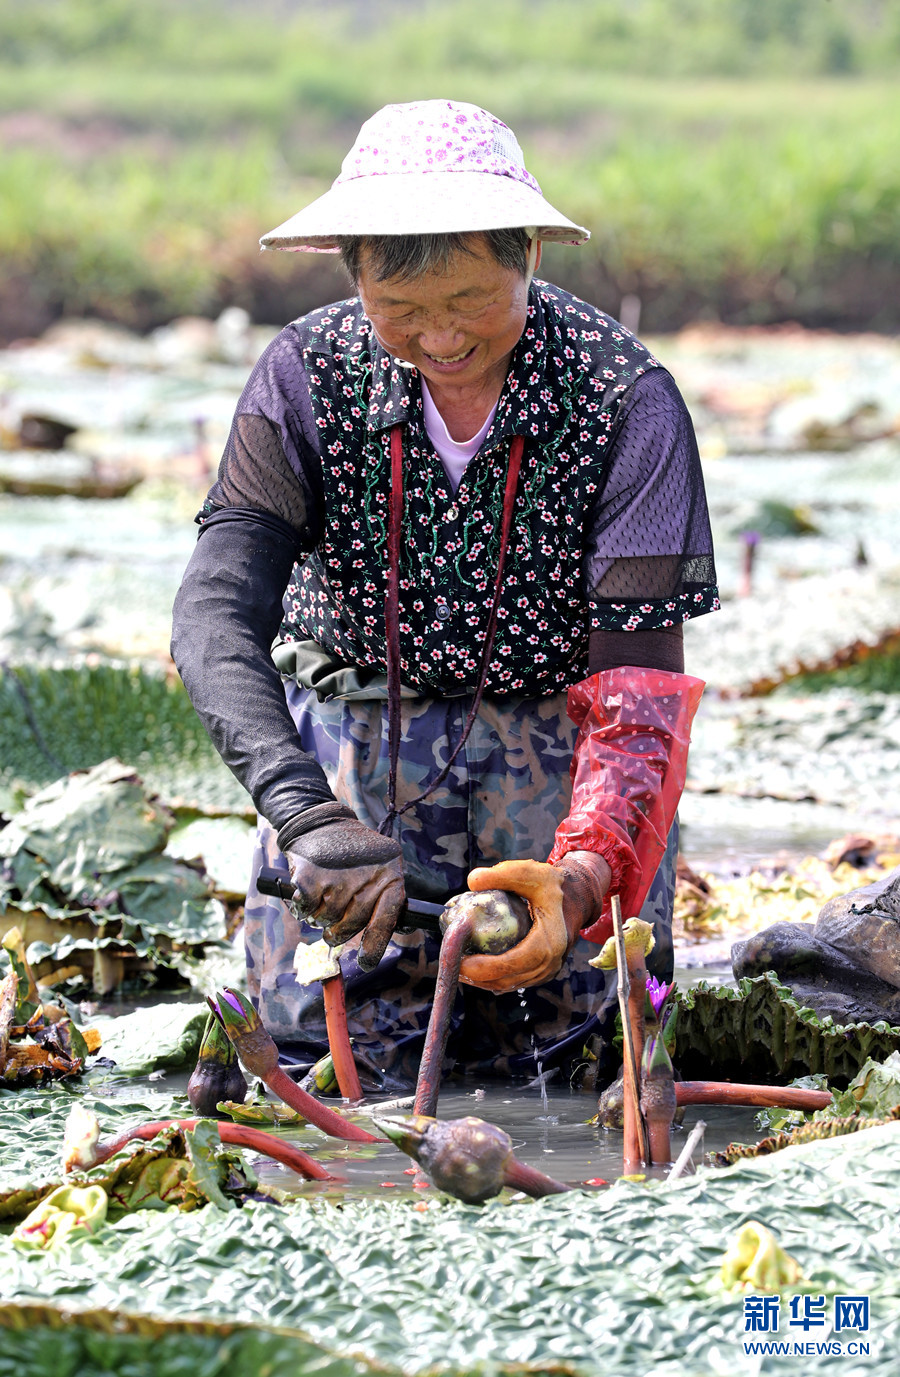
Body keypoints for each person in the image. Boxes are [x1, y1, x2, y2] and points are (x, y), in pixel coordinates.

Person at [171, 100, 718, 1089]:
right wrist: (309, 820)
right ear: (354, 278)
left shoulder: (624, 399)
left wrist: (585, 874)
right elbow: (215, 618)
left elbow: (637, 687)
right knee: (314, 1080)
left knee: (587, 1080)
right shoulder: (304, 379)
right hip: (352, 785)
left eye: (471, 297)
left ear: (529, 262)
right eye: (401, 309)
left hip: (556, 796)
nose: (441, 337)